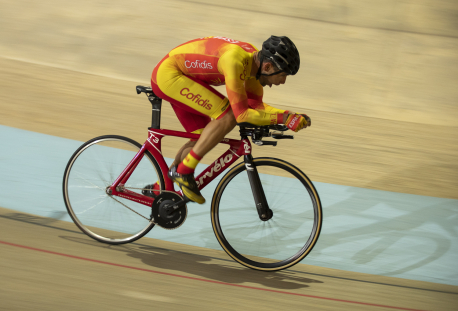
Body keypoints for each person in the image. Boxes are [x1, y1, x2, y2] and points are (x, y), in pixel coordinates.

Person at [147, 35, 311, 204]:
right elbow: (241, 114)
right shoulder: (235, 61)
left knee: (205, 137)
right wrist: (283, 118)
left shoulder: (255, 64)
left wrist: (289, 115)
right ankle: (184, 171)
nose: (283, 82)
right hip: (168, 75)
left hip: (184, 76)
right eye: (283, 75)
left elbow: (255, 105)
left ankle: (163, 184)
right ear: (268, 67)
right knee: (228, 115)